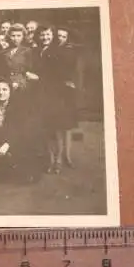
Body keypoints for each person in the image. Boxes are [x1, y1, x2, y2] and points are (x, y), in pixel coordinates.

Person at [0, 78, 42, 183]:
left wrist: (7, 144)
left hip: (17, 141)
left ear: (10, 91)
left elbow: (19, 129)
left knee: (22, 176)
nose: (1, 93)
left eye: (4, 90)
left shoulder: (19, 107)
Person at [33, 24, 71, 174]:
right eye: (42, 35)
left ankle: (59, 160)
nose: (45, 37)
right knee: (46, 129)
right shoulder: (37, 51)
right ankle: (50, 160)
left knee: (57, 129)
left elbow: (59, 76)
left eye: (48, 34)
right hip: (40, 95)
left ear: (53, 35)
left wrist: (39, 78)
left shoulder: (58, 52)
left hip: (55, 95)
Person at [57, 26, 79, 168]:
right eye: (59, 36)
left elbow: (75, 71)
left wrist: (72, 83)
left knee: (68, 126)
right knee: (58, 124)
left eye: (64, 37)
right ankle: (58, 156)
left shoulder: (71, 52)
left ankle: (68, 155)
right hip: (55, 91)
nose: (61, 39)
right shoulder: (51, 51)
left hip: (67, 92)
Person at [2, 23, 38, 91]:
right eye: (13, 36)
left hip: (22, 86)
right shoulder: (3, 52)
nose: (15, 38)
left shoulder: (28, 51)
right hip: (6, 85)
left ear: (23, 36)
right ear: (9, 36)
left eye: (19, 36)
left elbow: (29, 72)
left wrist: (20, 83)